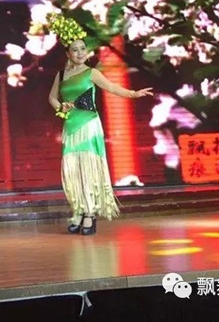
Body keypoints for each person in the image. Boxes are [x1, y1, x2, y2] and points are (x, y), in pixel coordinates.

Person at [46, 14, 152, 236]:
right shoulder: (61, 74)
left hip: (89, 124)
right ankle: (78, 210)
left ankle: (90, 213)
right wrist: (60, 108)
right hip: (70, 126)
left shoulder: (91, 72)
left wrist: (133, 93)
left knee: (87, 168)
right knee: (72, 170)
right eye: (74, 50)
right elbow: (52, 97)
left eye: (82, 49)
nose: (80, 53)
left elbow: (112, 88)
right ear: (68, 53)